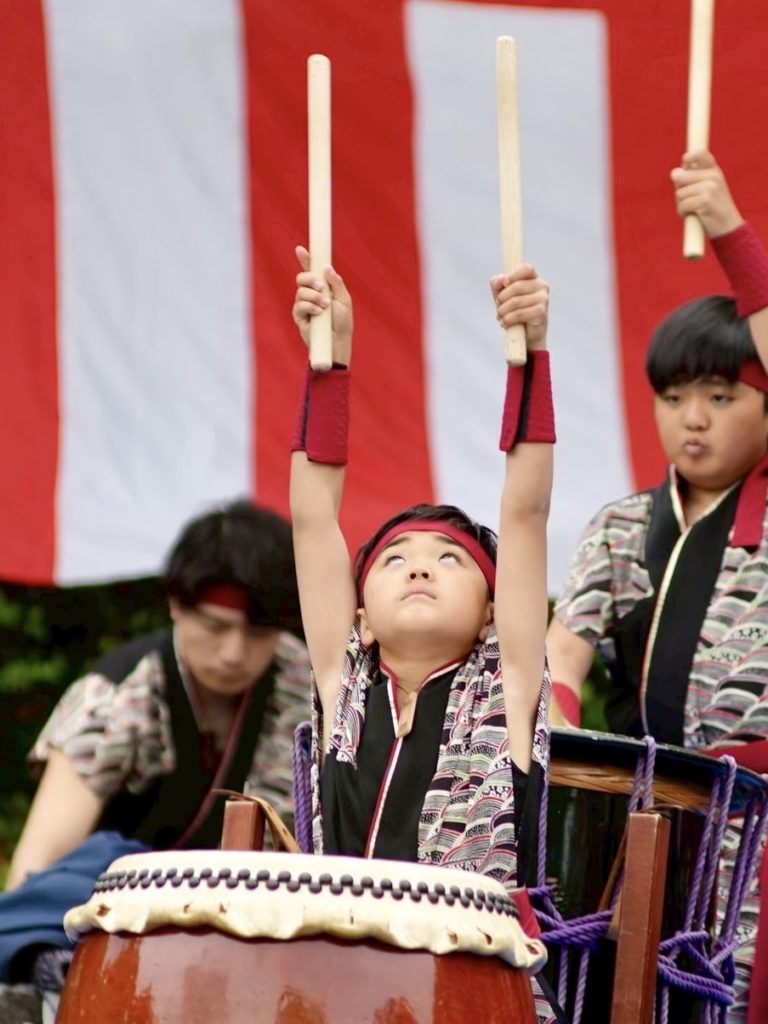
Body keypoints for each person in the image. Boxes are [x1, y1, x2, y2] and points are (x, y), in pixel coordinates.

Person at [289, 247, 559, 1020]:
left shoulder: (504, 689)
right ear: (361, 616)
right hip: (336, 977)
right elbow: (313, 515)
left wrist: (532, 354)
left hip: (479, 982)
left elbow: (525, 512)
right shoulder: (344, 691)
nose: (419, 569)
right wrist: (329, 362)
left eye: (450, 560)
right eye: (395, 559)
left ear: (489, 612)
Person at [547, 151, 768, 1022]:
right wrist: (555, 724)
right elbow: (567, 642)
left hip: (758, 820)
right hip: (653, 815)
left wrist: (728, 231)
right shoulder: (620, 527)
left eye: (722, 393)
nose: (696, 419)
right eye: (675, 397)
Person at [0, 499, 311, 986]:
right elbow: (36, 871)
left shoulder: (304, 686)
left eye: (259, 632)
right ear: (175, 606)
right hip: (109, 922)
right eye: (215, 627)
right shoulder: (115, 696)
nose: (235, 652)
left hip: (246, 922)